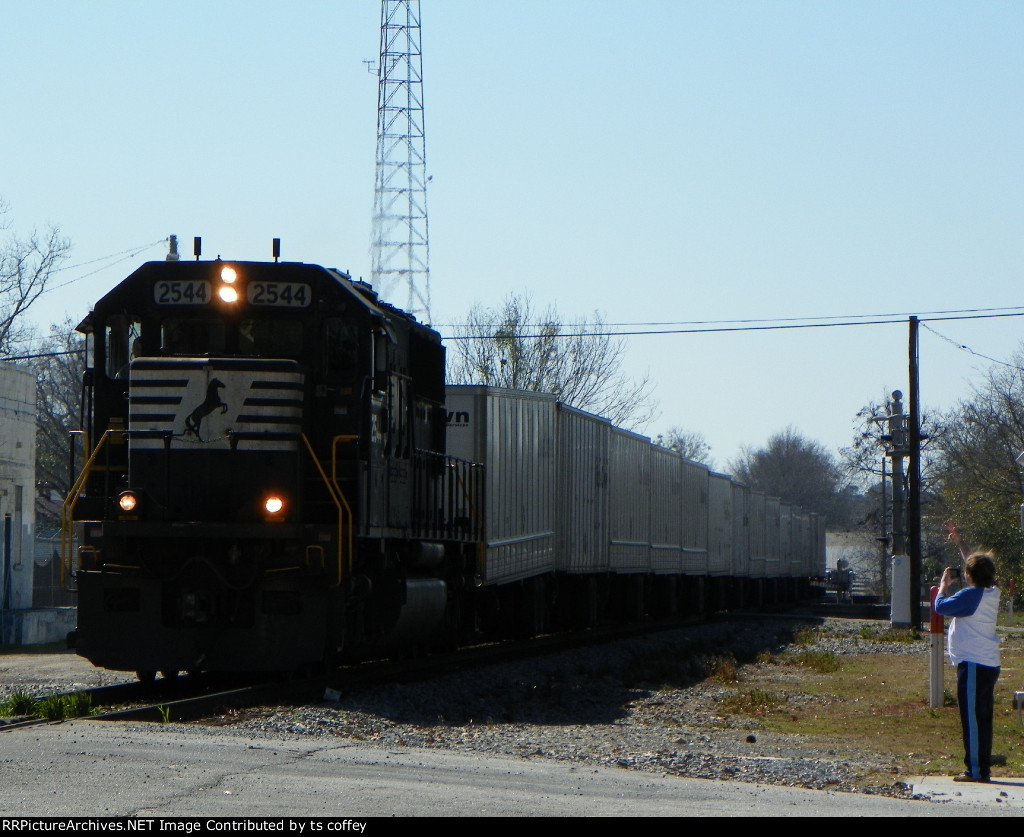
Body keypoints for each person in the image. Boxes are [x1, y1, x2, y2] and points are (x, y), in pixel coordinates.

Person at [934, 521, 1000, 783]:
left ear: (971, 576)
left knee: (972, 719)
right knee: (982, 717)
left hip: (973, 663)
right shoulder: (991, 591)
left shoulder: (971, 596)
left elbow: (940, 607)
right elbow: (976, 565)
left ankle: (976, 770)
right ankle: (982, 766)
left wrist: (943, 586)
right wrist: (960, 542)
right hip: (988, 662)